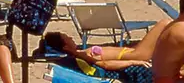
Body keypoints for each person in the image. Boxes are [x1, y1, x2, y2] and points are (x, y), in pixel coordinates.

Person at [39, 21, 173, 80]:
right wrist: (133, 61)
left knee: (169, 31)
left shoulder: (80, 54)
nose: (70, 37)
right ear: (65, 47)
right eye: (66, 37)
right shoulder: (83, 56)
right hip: (136, 55)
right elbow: (105, 64)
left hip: (132, 53)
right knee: (164, 24)